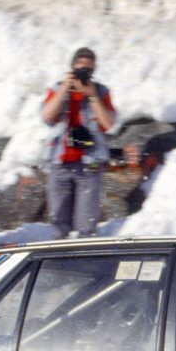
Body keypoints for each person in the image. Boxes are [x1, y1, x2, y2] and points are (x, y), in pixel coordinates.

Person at [41, 47, 116, 237]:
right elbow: (46, 117)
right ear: (72, 67)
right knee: (58, 221)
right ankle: (58, 252)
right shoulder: (58, 88)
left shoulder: (100, 91)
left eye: (88, 68)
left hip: (90, 162)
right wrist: (65, 88)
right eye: (80, 67)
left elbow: (108, 123)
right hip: (60, 160)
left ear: (94, 70)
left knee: (87, 223)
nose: (84, 71)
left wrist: (92, 95)